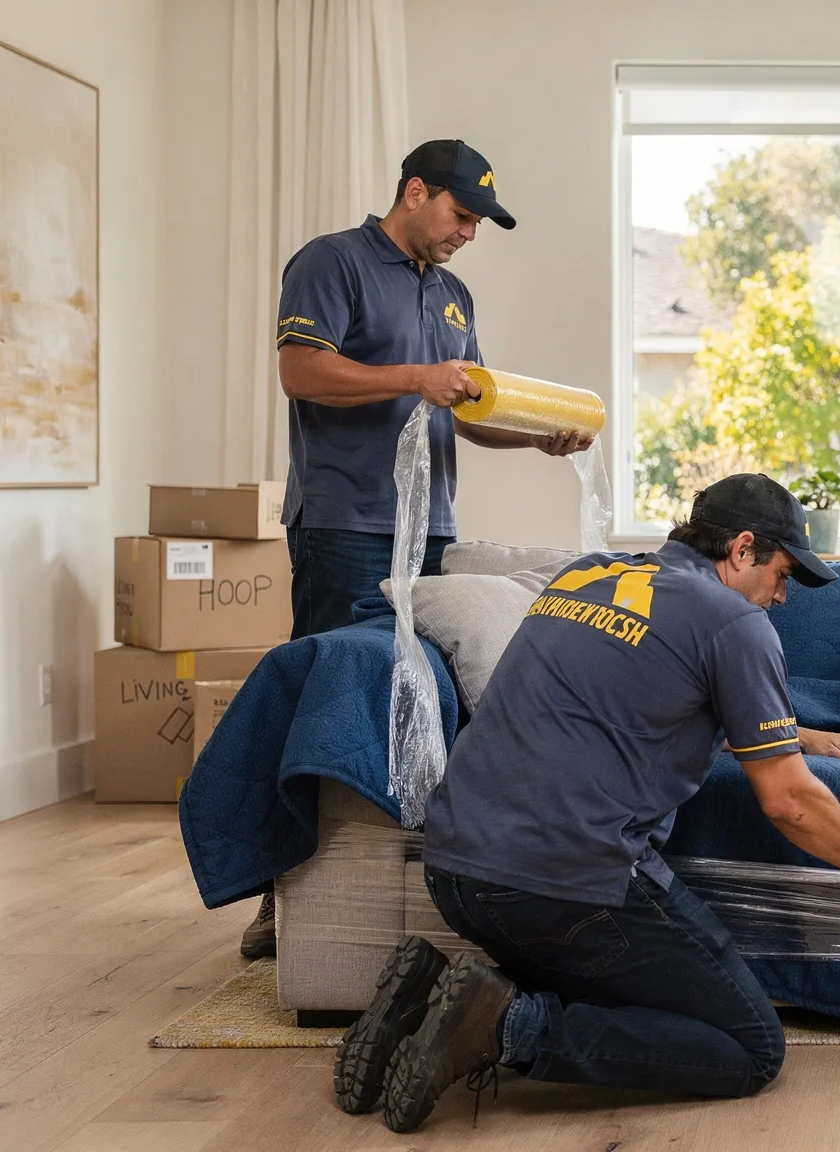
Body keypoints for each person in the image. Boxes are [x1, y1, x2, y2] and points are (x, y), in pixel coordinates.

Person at [334, 474, 840, 1134]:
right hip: (562, 885)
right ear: (742, 549)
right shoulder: (734, 622)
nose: (781, 594)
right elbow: (790, 802)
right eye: (783, 572)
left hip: (455, 869)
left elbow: (625, 700)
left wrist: (791, 734)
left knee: (618, 987)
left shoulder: (587, 578)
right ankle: (508, 1026)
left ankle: (427, 995)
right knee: (749, 1047)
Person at [242, 140, 592, 961]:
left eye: (478, 223)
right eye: (461, 214)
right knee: (327, 701)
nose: (469, 232)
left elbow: (464, 409)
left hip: (429, 527)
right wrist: (413, 378)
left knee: (420, 698)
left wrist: (537, 439)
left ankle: (397, 880)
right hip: (343, 525)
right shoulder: (331, 263)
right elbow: (301, 372)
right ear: (414, 192)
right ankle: (281, 899)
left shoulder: (456, 296)